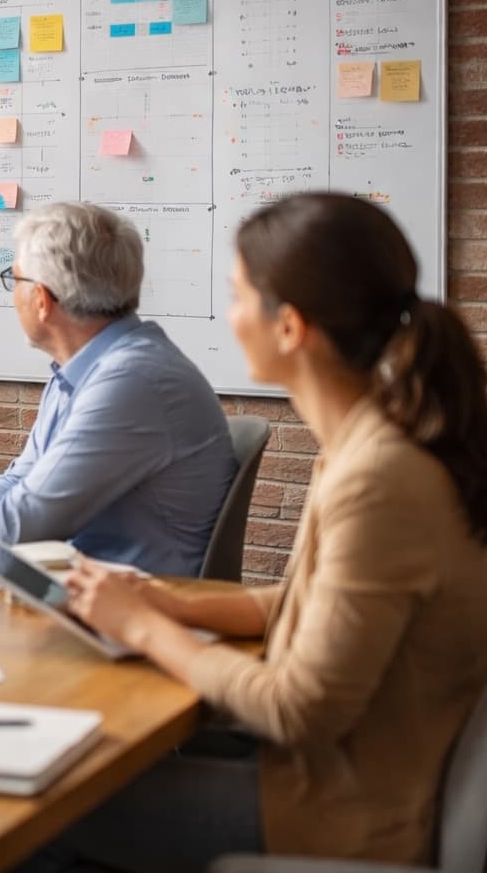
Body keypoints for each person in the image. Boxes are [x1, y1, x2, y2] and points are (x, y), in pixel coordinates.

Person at [27, 193, 487, 870]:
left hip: (344, 810)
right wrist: (170, 602)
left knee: (43, 808)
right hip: (330, 780)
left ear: (290, 327)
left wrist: (147, 630)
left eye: (238, 295)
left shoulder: (380, 477)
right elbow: (315, 598)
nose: (231, 315)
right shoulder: (371, 446)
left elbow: (300, 710)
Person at [0, 201, 235, 576]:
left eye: (13, 278)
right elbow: (22, 480)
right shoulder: (82, 369)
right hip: (77, 591)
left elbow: (23, 520)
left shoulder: (133, 381)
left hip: (136, 612)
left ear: (41, 300)